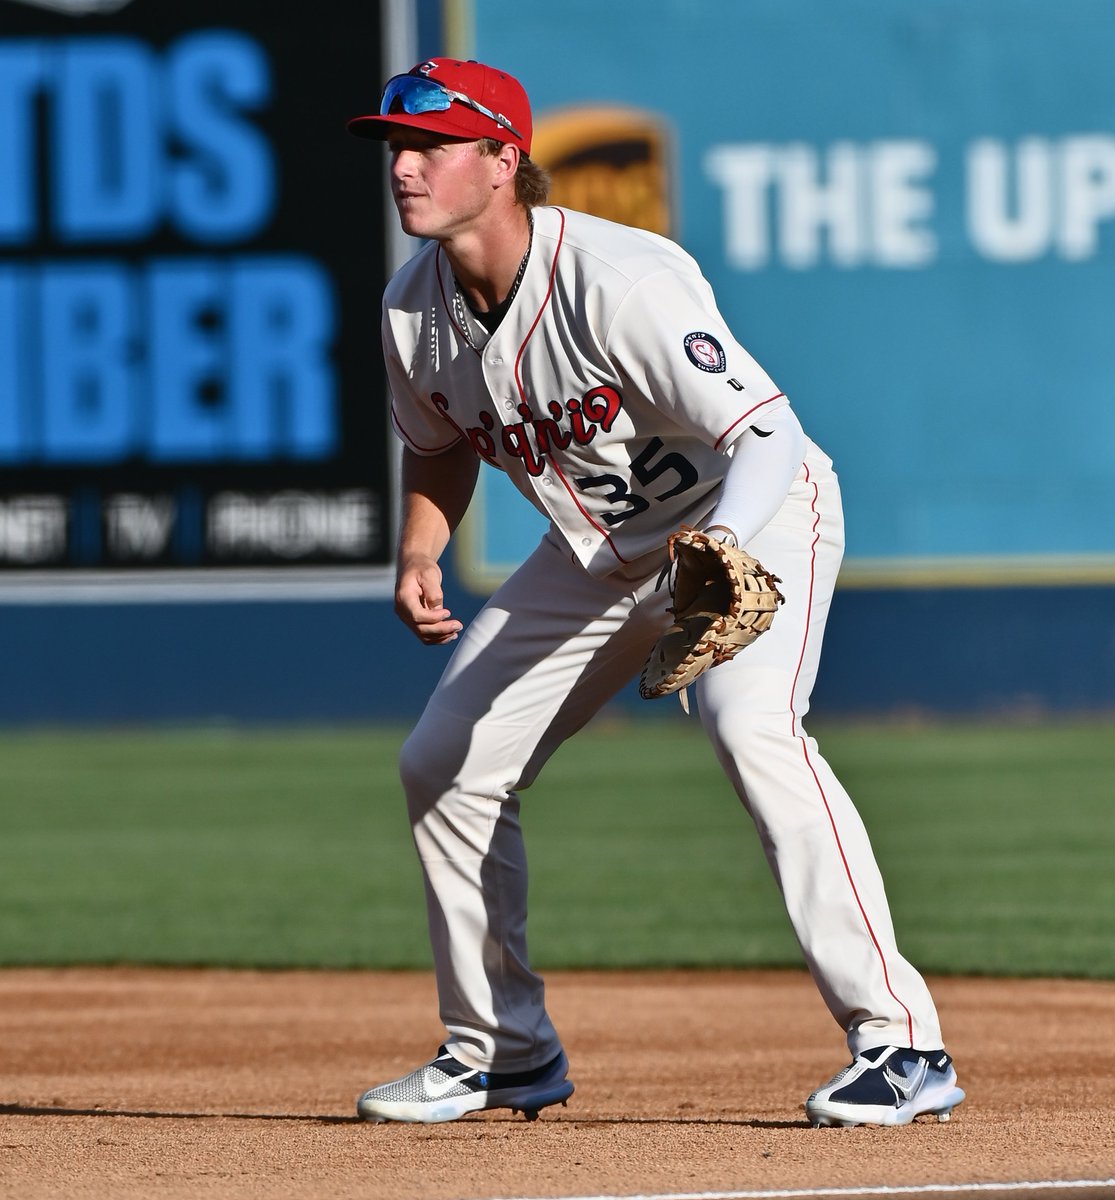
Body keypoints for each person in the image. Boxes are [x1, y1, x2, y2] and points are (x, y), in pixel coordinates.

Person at [346, 57, 965, 1128]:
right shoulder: (414, 309)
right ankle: (503, 1050)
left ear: (503, 161)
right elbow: (440, 441)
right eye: (396, 147)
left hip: (754, 509)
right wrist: (417, 552)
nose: (404, 166)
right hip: (599, 554)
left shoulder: (616, 279)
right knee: (443, 766)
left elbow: (764, 431)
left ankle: (903, 1045)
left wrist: (720, 550)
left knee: (747, 721)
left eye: (431, 145)